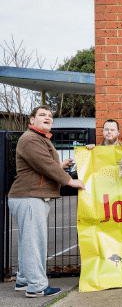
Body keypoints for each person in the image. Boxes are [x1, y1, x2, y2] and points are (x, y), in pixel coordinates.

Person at [8, 106, 86, 298]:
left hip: (29, 197)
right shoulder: (30, 139)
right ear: (31, 120)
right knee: (35, 244)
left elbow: (40, 166)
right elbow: (45, 165)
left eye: (50, 116)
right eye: (42, 115)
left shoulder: (38, 139)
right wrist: (70, 180)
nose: (48, 118)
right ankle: (37, 287)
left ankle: (24, 280)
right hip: (29, 197)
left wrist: (60, 165)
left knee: (27, 242)